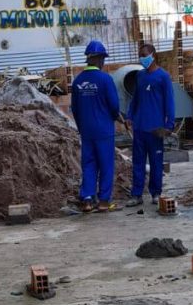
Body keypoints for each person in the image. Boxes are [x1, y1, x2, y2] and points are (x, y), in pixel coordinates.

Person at [70, 40, 121, 213]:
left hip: (87, 131)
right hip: (104, 130)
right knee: (106, 165)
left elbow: (75, 109)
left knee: (89, 164)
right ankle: (104, 201)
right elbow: (114, 106)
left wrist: (81, 127)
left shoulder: (77, 81)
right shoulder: (105, 79)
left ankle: (87, 199)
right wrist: (116, 117)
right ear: (100, 59)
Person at [124, 43, 175, 207]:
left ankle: (155, 192)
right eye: (140, 55)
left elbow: (170, 102)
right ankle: (137, 194)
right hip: (139, 127)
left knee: (156, 163)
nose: (142, 58)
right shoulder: (140, 76)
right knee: (137, 162)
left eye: (144, 55)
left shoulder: (163, 76)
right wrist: (130, 115)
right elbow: (135, 98)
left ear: (153, 55)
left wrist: (170, 124)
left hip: (156, 129)